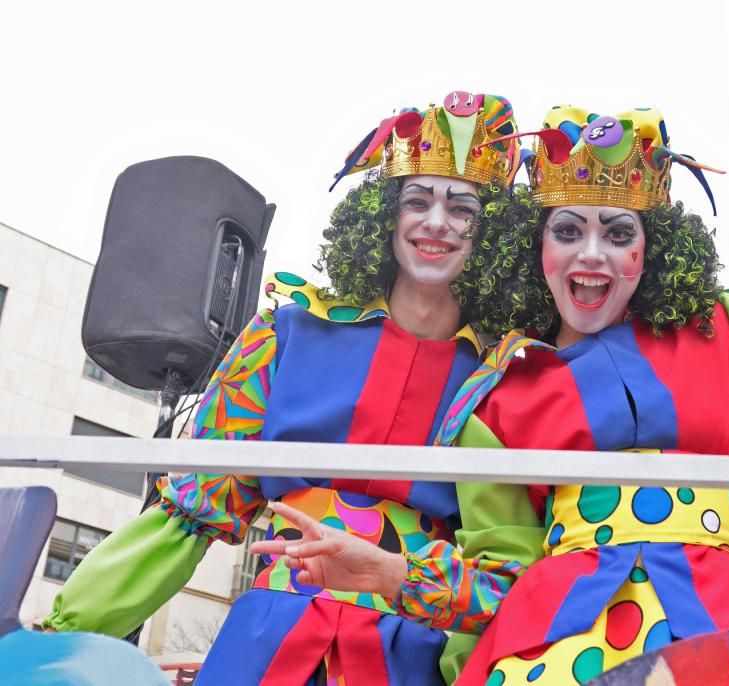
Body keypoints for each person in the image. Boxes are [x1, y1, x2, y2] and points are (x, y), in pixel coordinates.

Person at [251, 105, 729, 685]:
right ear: (535, 247)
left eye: (618, 233)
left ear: (652, 252)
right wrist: (388, 574)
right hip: (553, 645)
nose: (591, 255)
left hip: (719, 627)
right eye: (567, 231)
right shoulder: (498, 398)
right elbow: (497, 582)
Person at [42, 90, 532, 686]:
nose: (436, 223)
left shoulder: (506, 373)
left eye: (463, 208)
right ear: (383, 213)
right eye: (417, 199)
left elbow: (508, 572)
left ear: (497, 232)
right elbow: (191, 512)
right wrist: (58, 639)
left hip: (412, 652)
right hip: (268, 638)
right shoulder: (287, 332)